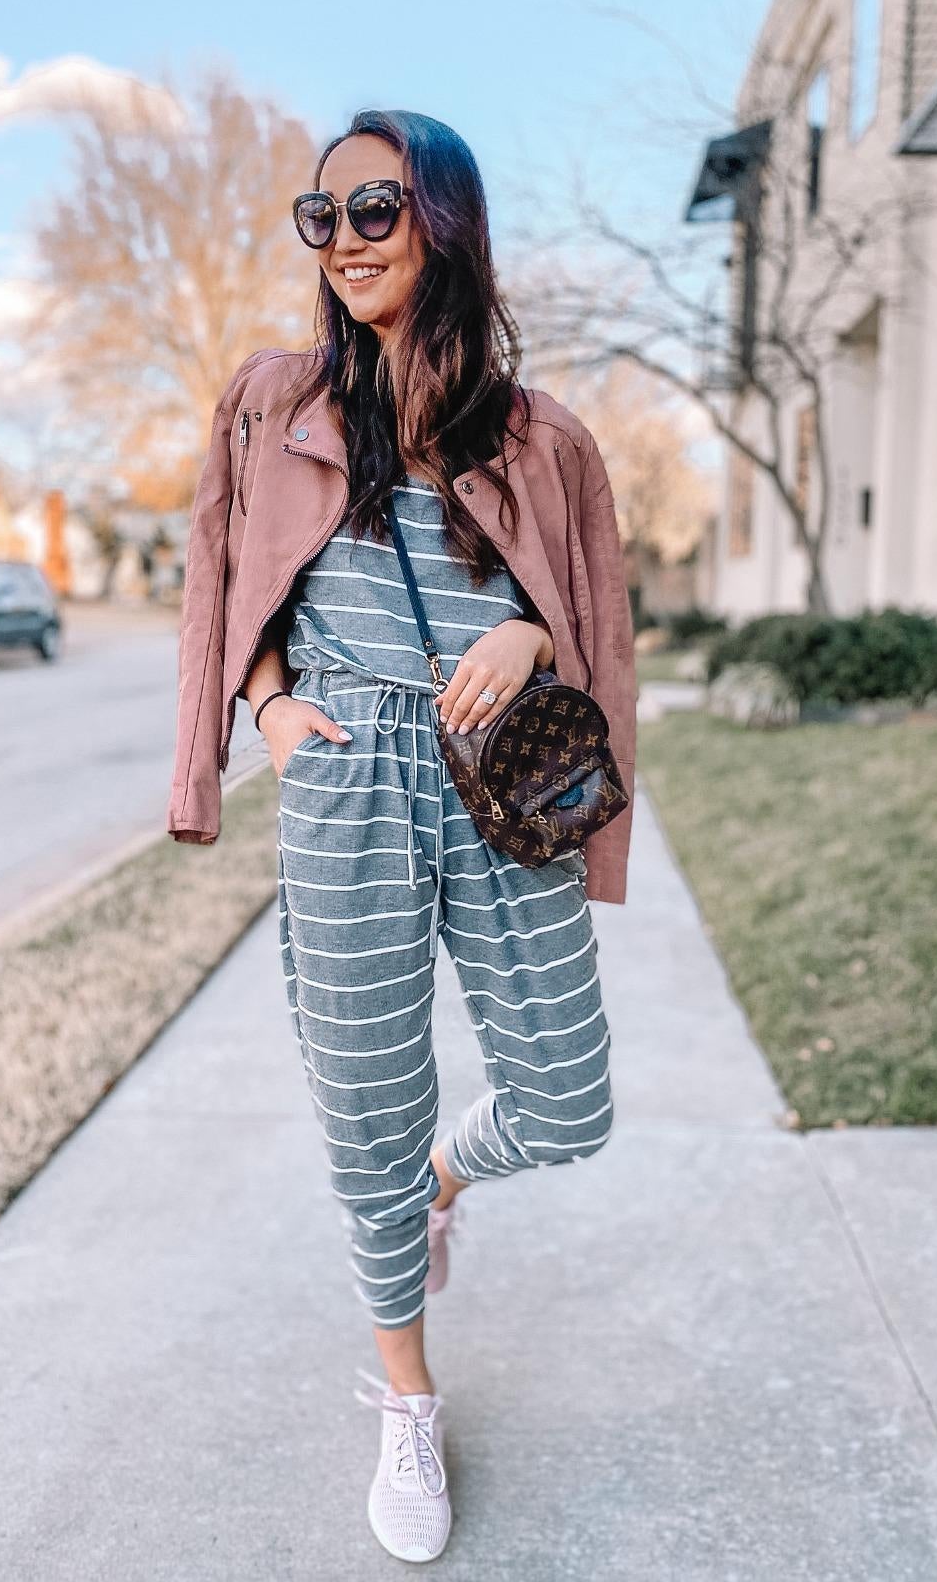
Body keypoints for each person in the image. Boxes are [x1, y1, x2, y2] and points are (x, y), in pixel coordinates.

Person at [175, 109, 635, 1564]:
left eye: (374, 207)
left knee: (570, 1100)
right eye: (322, 219)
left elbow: (601, 625)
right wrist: (265, 712)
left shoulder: (540, 435)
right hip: (348, 766)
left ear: (443, 214)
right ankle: (406, 1399)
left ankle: (442, 1183)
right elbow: (218, 573)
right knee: (367, 1110)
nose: (348, 240)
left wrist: (529, 632)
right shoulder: (271, 400)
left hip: (499, 778)